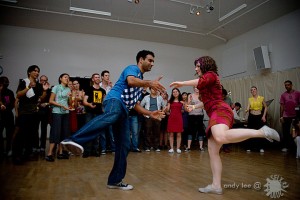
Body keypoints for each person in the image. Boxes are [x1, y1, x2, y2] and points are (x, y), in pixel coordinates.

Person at [170, 56, 280, 195]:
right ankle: (216, 185)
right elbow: (207, 101)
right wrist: (194, 106)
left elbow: (201, 83)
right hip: (215, 112)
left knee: (220, 137)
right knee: (213, 151)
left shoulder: (212, 75)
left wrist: (181, 83)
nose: (195, 68)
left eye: (198, 66)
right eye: (195, 66)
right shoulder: (206, 84)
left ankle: (261, 132)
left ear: (205, 65)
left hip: (220, 110)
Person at [61, 50, 165, 190]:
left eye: (153, 61)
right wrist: (149, 83)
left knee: (124, 145)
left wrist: (150, 113)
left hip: (124, 111)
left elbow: (135, 104)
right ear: (141, 60)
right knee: (112, 115)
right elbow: (130, 80)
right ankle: (74, 139)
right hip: (115, 101)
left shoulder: (140, 82)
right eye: (150, 60)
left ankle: (115, 180)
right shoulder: (132, 69)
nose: (152, 63)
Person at [13, 65, 50, 164]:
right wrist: (28, 87)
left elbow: (40, 99)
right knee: (21, 134)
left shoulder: (38, 85)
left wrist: (45, 91)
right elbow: (18, 95)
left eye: (38, 71)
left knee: (30, 135)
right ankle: (17, 155)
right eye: (35, 71)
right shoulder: (24, 82)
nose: (37, 73)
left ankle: (26, 155)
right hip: (24, 112)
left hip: (34, 113)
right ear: (29, 72)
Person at [45, 73, 73, 162]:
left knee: (64, 133)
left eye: (68, 78)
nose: (67, 79)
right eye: (65, 77)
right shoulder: (56, 87)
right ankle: (49, 154)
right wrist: (61, 106)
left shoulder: (68, 89)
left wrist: (70, 98)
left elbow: (69, 102)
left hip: (66, 112)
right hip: (57, 112)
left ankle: (60, 153)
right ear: (60, 78)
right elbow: (50, 101)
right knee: (55, 132)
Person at [82, 73, 106, 157]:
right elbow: (84, 101)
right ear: (92, 79)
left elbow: (104, 102)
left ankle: (95, 150)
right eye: (95, 77)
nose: (97, 78)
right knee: (88, 130)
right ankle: (87, 151)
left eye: (98, 77)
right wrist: (89, 105)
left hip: (99, 113)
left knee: (97, 131)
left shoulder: (103, 91)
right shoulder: (88, 89)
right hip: (89, 113)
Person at [140, 87, 166, 152]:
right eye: (152, 89)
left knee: (156, 132)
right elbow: (140, 105)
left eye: (155, 89)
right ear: (150, 89)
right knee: (147, 132)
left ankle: (156, 146)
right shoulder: (146, 97)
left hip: (157, 117)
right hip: (148, 117)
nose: (154, 90)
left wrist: (161, 113)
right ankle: (147, 147)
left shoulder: (160, 97)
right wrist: (144, 113)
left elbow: (164, 106)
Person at [245, 86, 268, 153]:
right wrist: (246, 110)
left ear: (256, 90)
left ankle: (260, 147)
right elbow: (248, 107)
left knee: (260, 132)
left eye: (254, 89)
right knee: (250, 131)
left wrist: (263, 116)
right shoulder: (250, 99)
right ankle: (249, 147)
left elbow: (266, 107)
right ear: (251, 92)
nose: (253, 91)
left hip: (259, 117)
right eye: (251, 90)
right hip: (251, 117)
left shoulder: (261, 98)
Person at [280, 80, 300, 153]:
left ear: (291, 85)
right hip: (286, 115)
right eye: (285, 85)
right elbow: (282, 106)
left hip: (295, 115)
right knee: (285, 132)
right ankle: (286, 146)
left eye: (288, 85)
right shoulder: (283, 95)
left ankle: (295, 147)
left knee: (296, 131)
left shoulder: (297, 93)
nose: (286, 86)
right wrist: (281, 116)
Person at [0, 76, 15, 158]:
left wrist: (7, 107)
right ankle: (1, 151)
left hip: (8, 115)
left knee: (10, 134)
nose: (6, 83)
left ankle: (8, 149)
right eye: (4, 82)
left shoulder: (10, 92)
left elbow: (13, 103)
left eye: (7, 81)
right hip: (0, 116)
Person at [166, 88, 183, 154]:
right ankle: (172, 148)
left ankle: (178, 148)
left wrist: (184, 104)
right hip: (171, 118)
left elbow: (186, 109)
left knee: (179, 134)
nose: (175, 93)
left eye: (176, 91)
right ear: (172, 93)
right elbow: (167, 110)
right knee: (171, 134)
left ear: (179, 92)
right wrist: (166, 108)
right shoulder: (170, 101)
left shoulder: (181, 101)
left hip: (179, 118)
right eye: (173, 92)